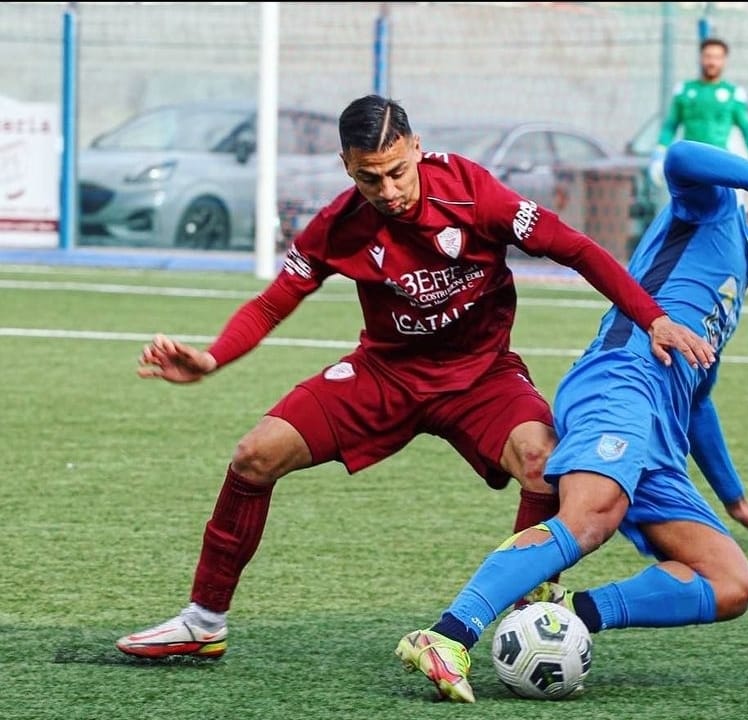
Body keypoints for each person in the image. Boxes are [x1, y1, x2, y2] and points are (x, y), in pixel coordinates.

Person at [114, 95, 715, 659]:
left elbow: (579, 248)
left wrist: (653, 319)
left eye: (398, 171)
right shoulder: (339, 225)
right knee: (253, 456)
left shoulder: (476, 195)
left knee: (542, 460)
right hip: (386, 374)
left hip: (482, 377)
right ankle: (202, 623)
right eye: (368, 177)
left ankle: (528, 603)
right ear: (346, 167)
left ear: (416, 147)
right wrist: (213, 357)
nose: (388, 189)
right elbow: (273, 302)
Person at [395, 139, 748, 703]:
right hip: (620, 383)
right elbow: (682, 157)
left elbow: (699, 401)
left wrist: (735, 500)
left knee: (733, 583)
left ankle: (570, 612)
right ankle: (447, 635)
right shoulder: (713, 213)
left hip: (661, 431)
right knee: (590, 518)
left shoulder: (737, 279)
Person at [649, 37, 748, 188]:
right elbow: (670, 125)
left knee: (719, 205)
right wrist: (659, 153)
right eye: (708, 56)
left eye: (717, 57)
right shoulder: (684, 90)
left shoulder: (733, 93)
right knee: (687, 206)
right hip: (689, 161)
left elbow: (746, 128)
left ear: (724, 61)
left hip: (720, 161)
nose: (712, 62)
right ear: (701, 58)